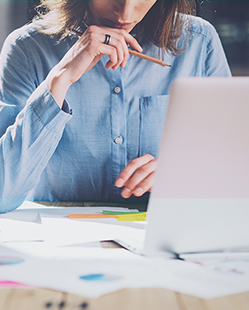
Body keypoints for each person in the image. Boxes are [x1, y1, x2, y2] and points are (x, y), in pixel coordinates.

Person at [0, 0, 231, 213]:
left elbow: (235, 170)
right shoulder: (26, 48)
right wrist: (60, 79)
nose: (125, 13)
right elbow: (3, 195)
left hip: (162, 228)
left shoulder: (200, 41)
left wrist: (185, 172)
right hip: (58, 236)